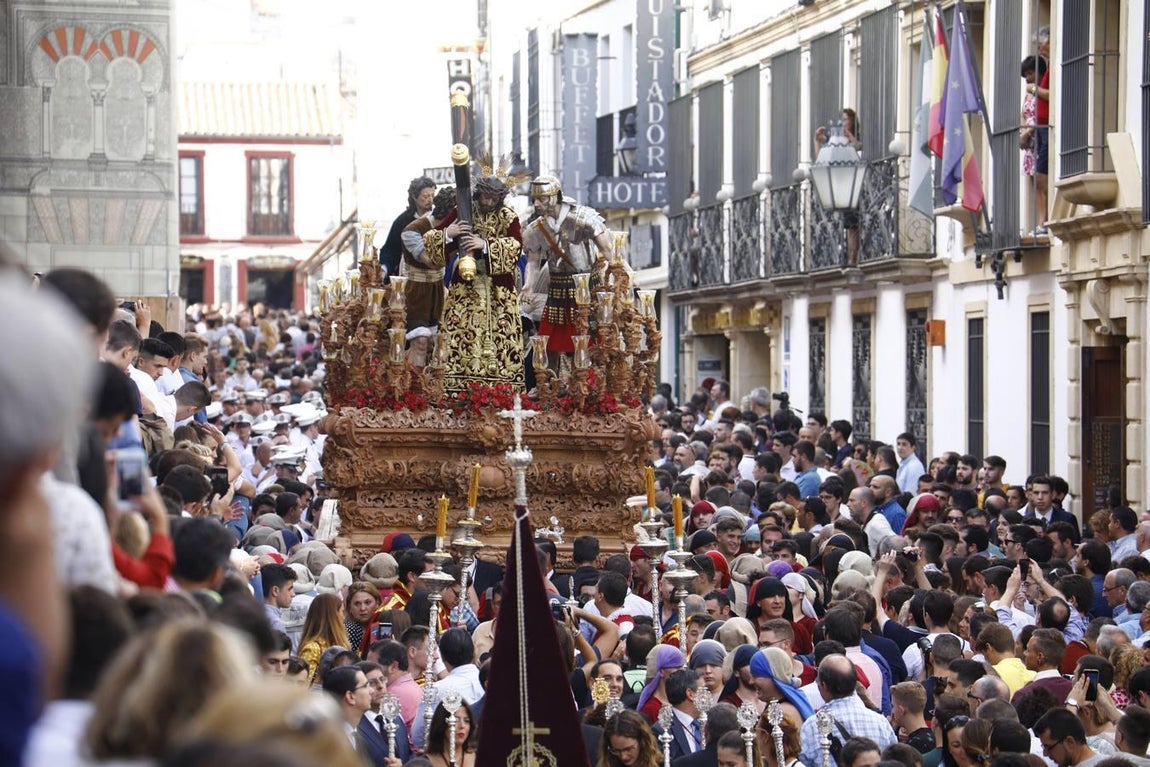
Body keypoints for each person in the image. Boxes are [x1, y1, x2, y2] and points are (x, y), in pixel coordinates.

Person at [425, 170, 525, 391]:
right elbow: (432, 241)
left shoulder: (508, 216)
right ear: (477, 193)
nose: (488, 201)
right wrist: (449, 233)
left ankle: (501, 390)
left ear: (500, 198)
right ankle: (454, 386)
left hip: (498, 289)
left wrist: (486, 245)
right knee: (458, 332)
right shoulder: (462, 211)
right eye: (484, 196)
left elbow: (516, 248)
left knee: (500, 337)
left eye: (493, 198)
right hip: (465, 286)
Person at [521, 174, 614, 361]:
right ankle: (549, 384)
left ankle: (592, 381)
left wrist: (622, 276)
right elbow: (533, 261)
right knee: (549, 344)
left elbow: (608, 250)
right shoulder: (535, 229)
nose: (537, 204)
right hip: (558, 289)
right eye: (535, 199)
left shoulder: (584, 217)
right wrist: (529, 285)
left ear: (556, 196)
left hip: (588, 285)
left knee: (593, 339)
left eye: (542, 199)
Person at [400, 185, 459, 367]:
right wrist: (446, 236)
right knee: (420, 342)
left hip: (439, 292)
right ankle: (416, 390)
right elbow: (433, 261)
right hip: (417, 292)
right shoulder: (413, 230)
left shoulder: (456, 229)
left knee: (438, 343)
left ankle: (434, 387)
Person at [380, 176, 436, 280]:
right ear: (414, 197)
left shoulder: (438, 218)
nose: (430, 199)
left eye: (432, 195)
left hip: (435, 274)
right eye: (426, 196)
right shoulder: (402, 221)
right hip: (408, 275)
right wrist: (384, 269)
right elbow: (391, 249)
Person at [298, 593, 351, 685]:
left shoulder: (335, 644)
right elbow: (304, 685)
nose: (343, 617)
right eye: (341, 612)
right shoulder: (313, 648)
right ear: (332, 617)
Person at [424, 699, 478, 767]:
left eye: (466, 721)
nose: (462, 726)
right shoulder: (426, 762)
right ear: (442, 723)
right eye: (455, 720)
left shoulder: (479, 758)